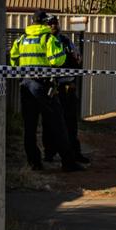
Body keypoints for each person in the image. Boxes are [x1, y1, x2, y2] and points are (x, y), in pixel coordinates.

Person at [9, 11, 86, 173]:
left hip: (25, 85)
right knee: (58, 124)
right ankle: (68, 162)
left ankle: (34, 163)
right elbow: (57, 60)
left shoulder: (21, 39)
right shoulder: (48, 39)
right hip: (43, 86)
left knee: (29, 127)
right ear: (44, 23)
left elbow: (13, 60)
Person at [41, 16, 89, 167]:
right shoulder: (44, 41)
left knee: (70, 122)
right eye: (50, 24)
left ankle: (75, 153)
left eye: (55, 23)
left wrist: (74, 64)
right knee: (49, 122)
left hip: (66, 86)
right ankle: (49, 153)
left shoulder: (66, 41)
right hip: (50, 87)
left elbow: (78, 59)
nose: (53, 26)